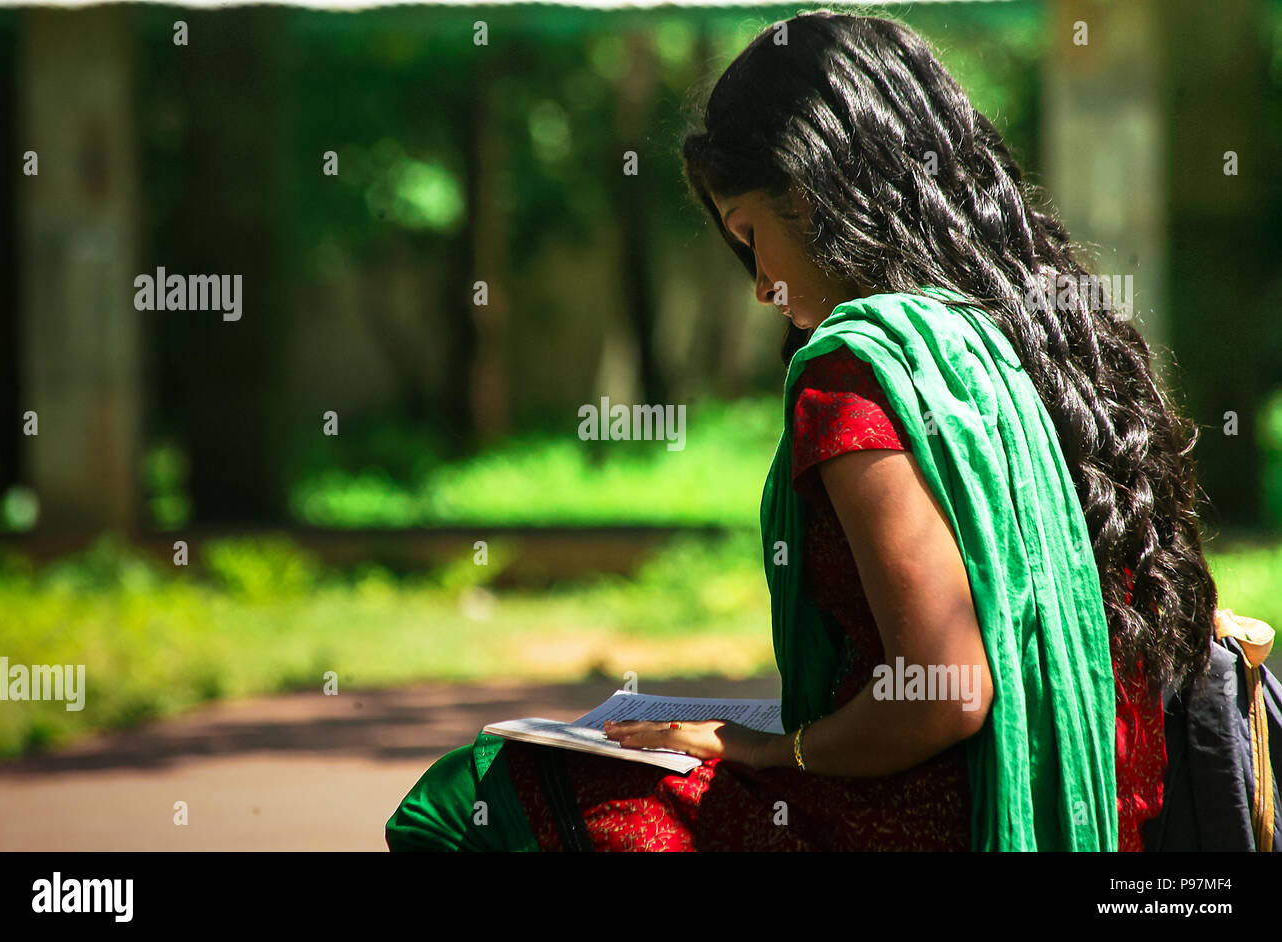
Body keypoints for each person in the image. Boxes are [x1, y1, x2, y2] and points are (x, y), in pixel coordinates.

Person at [385, 10, 1218, 851]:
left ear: (813, 186)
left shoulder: (857, 369)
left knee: (471, 793)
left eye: (749, 235)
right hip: (1099, 806)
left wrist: (776, 749)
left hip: (928, 819)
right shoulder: (1052, 339)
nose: (759, 287)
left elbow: (945, 689)